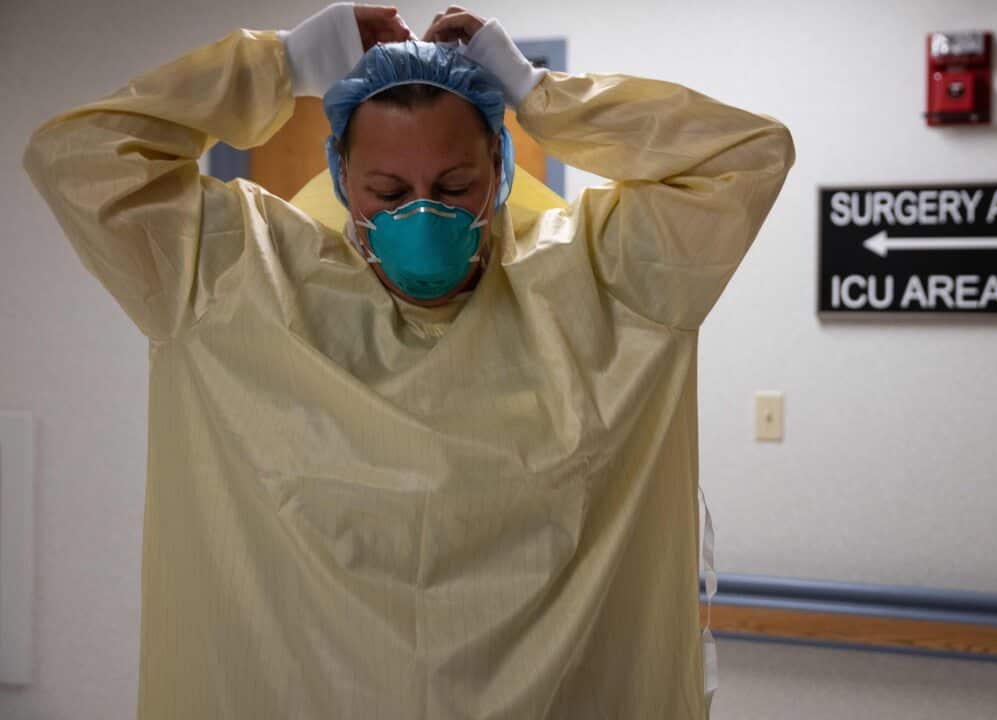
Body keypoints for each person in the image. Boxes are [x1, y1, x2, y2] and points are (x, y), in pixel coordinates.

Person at [23, 3, 794, 718]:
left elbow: (748, 155)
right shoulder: (240, 281)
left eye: (454, 186)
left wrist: (537, 93)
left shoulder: (602, 284)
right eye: (387, 190)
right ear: (340, 180)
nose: (421, 214)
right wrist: (284, 65)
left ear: (498, 170)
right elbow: (77, 155)